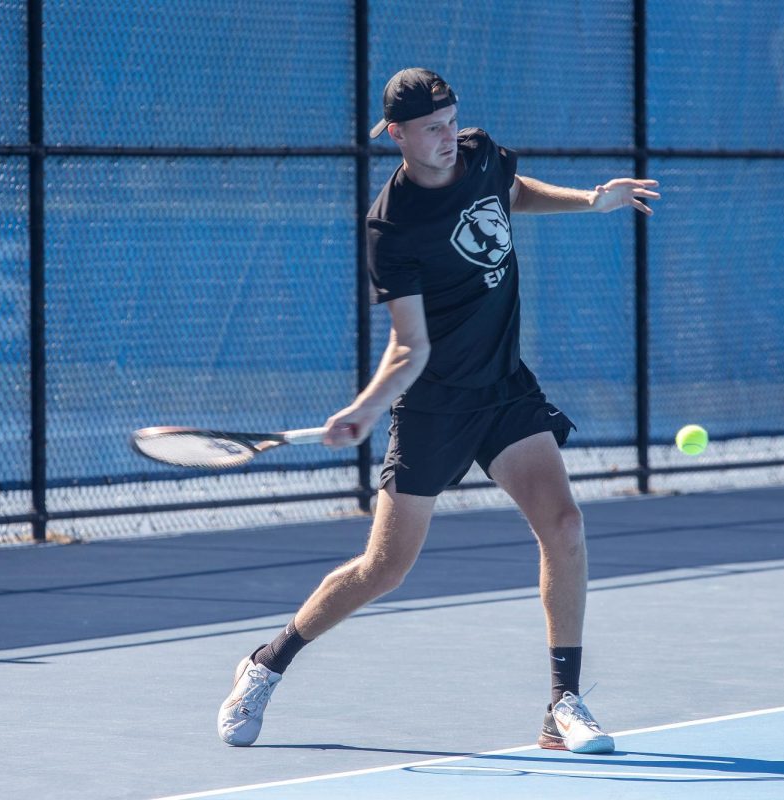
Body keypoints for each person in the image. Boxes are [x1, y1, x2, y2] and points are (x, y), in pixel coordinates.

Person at [218, 67, 658, 754]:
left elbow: (509, 194)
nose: (448, 136)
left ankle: (561, 705)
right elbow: (409, 345)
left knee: (565, 525)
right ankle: (268, 662)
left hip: (505, 389)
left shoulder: (479, 153)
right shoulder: (392, 227)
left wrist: (589, 201)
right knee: (384, 569)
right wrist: (366, 409)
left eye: (452, 120)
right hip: (434, 406)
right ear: (397, 134)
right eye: (432, 128)